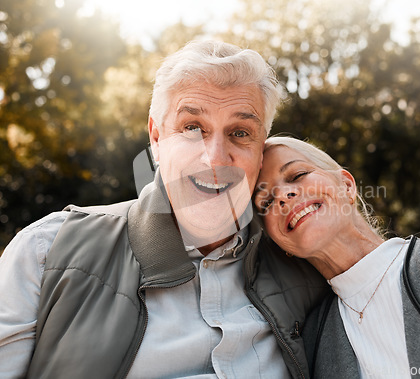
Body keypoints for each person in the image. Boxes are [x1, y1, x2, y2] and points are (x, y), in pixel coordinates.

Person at [0, 40, 329, 378]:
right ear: (156, 138)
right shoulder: (46, 252)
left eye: (240, 132)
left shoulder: (305, 263)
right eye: (191, 128)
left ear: (261, 152)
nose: (214, 157)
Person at [253, 136, 420, 378]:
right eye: (266, 202)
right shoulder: (310, 347)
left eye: (297, 175)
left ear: (347, 186)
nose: (283, 196)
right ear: (278, 242)